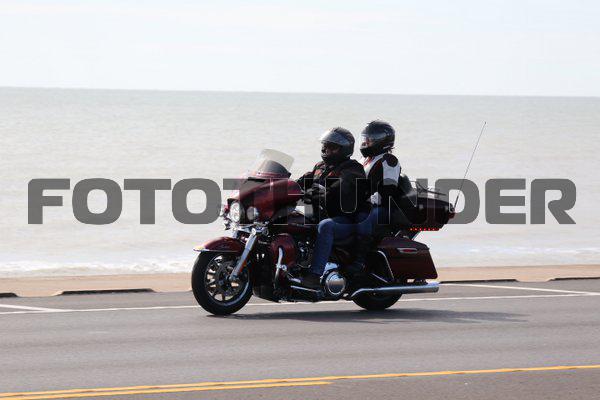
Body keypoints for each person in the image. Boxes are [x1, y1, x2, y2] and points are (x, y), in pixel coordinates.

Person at [296, 127, 368, 289]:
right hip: (321, 214)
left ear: (344, 150)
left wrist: (325, 192)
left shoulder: (352, 169)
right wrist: (279, 185)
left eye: (332, 147)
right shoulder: (320, 167)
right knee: (294, 219)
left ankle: (315, 275)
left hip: (346, 220)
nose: (326, 149)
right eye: (325, 145)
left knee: (326, 226)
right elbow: (301, 181)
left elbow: (344, 186)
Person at [353, 120, 403, 270]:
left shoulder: (389, 160)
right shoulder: (364, 160)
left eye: (370, 139)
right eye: (365, 138)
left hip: (383, 207)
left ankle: (359, 259)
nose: (366, 142)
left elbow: (388, 190)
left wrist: (366, 201)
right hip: (366, 203)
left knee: (364, 218)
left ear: (382, 141)